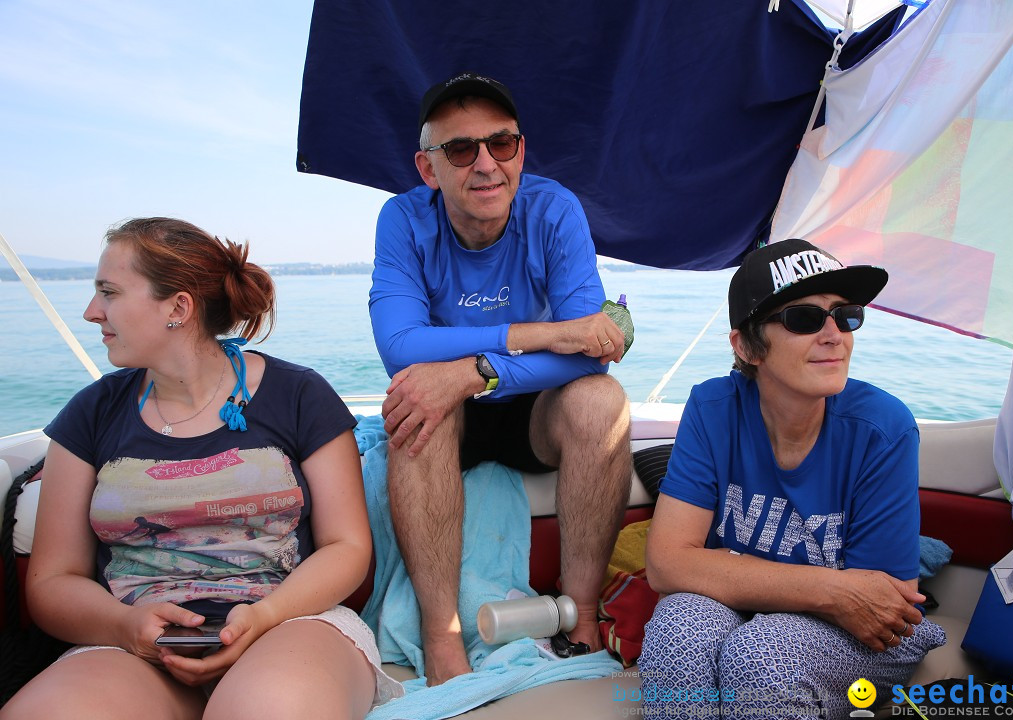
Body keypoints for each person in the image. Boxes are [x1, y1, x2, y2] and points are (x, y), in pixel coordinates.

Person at [0, 218, 403, 720]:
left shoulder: (300, 396)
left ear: (179, 307)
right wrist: (127, 627)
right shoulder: (90, 414)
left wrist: (263, 617)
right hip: (133, 646)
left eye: (108, 292)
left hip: (288, 624)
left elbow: (347, 546)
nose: (90, 312)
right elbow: (53, 580)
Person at [368, 72, 632, 685]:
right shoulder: (403, 220)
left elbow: (592, 353)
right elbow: (401, 345)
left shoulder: (554, 209)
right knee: (416, 401)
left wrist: (478, 371)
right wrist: (542, 333)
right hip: (447, 408)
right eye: (461, 150)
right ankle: (442, 639)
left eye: (502, 144)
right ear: (429, 169)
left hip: (529, 405)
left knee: (601, 401)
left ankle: (583, 616)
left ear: (521, 151)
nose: (486, 163)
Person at [638, 239, 946, 719]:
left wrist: (729, 573)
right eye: (804, 318)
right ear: (746, 346)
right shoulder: (712, 408)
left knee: (761, 656)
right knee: (676, 634)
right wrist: (836, 589)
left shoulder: (883, 428)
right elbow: (666, 565)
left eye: (845, 316)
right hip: (767, 608)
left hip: (866, 637)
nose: (834, 335)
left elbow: (886, 605)